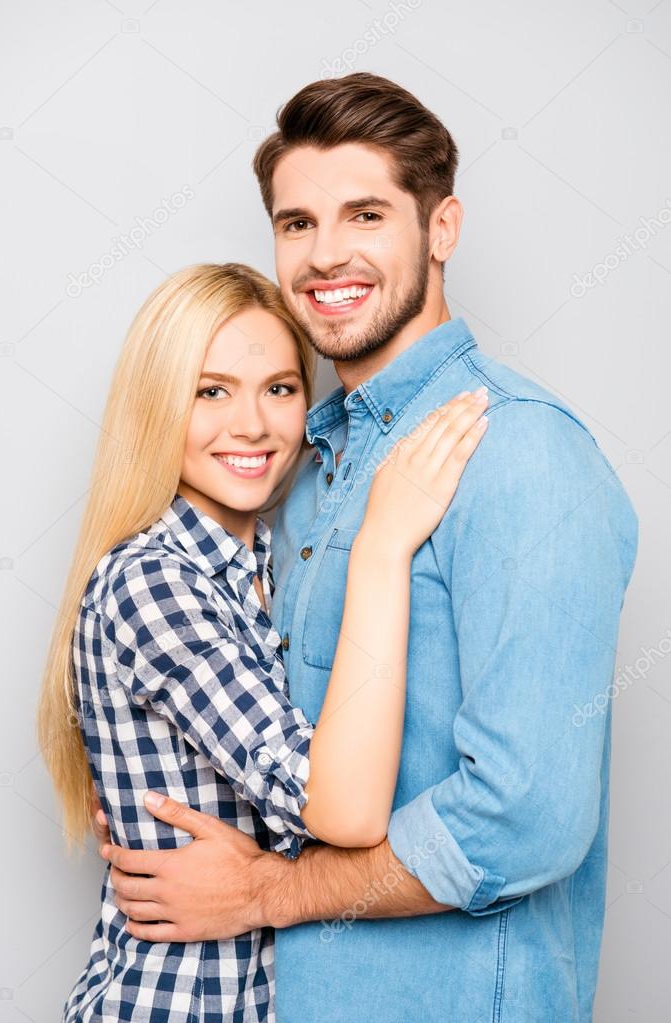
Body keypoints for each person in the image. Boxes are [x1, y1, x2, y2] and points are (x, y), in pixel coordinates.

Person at [93, 74, 640, 1022]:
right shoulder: (294, 473)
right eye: (296, 222)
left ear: (441, 228)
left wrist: (267, 891)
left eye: (365, 214)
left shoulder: (520, 453)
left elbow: (522, 820)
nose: (326, 254)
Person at [38, 260, 488, 1020]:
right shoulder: (152, 582)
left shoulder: (276, 562)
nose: (251, 425)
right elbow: (340, 812)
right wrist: (384, 544)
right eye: (210, 391)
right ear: (156, 407)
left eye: (279, 388)